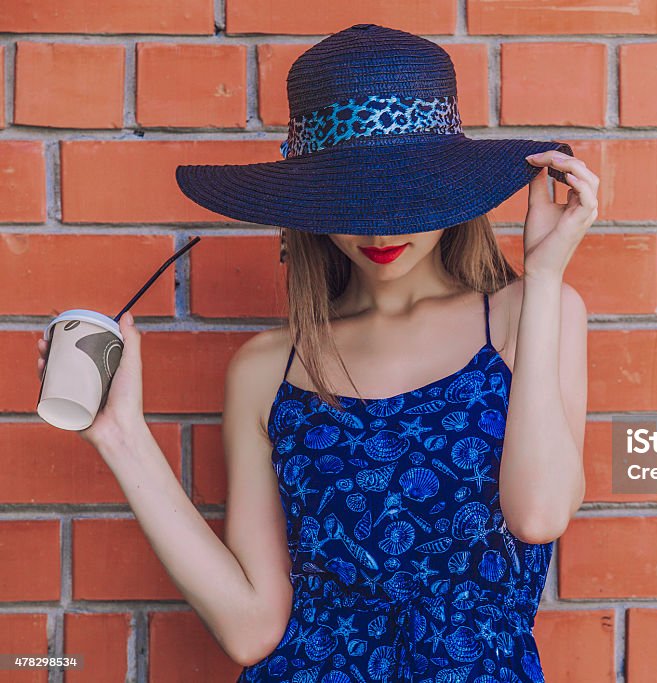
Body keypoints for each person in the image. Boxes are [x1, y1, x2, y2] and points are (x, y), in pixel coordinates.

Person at [36, 24, 596, 683]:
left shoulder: (527, 314)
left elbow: (539, 514)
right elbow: (251, 627)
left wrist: (547, 274)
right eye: (349, 199)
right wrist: (122, 437)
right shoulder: (266, 369)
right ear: (310, 204)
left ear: (453, 190)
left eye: (405, 196)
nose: (381, 227)